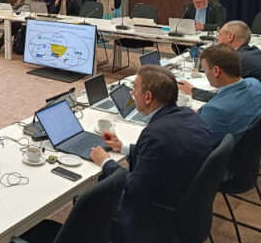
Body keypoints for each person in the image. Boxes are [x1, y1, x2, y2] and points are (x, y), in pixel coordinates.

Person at [90, 65, 213, 243]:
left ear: (148, 97)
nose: (132, 94)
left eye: (135, 89)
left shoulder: (155, 134)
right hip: (188, 209)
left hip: (155, 219)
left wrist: (105, 162)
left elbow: (134, 186)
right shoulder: (187, 114)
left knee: (90, 200)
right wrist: (122, 147)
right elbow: (164, 155)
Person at [193, 44, 261, 146]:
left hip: (225, 154)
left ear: (216, 71)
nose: (206, 74)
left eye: (205, 70)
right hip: (249, 149)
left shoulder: (215, 110)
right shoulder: (255, 83)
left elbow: (198, 144)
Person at [179, 20, 261, 102]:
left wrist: (193, 90)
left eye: (220, 34)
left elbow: (224, 98)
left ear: (230, 37)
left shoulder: (238, 60)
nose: (217, 38)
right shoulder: (253, 51)